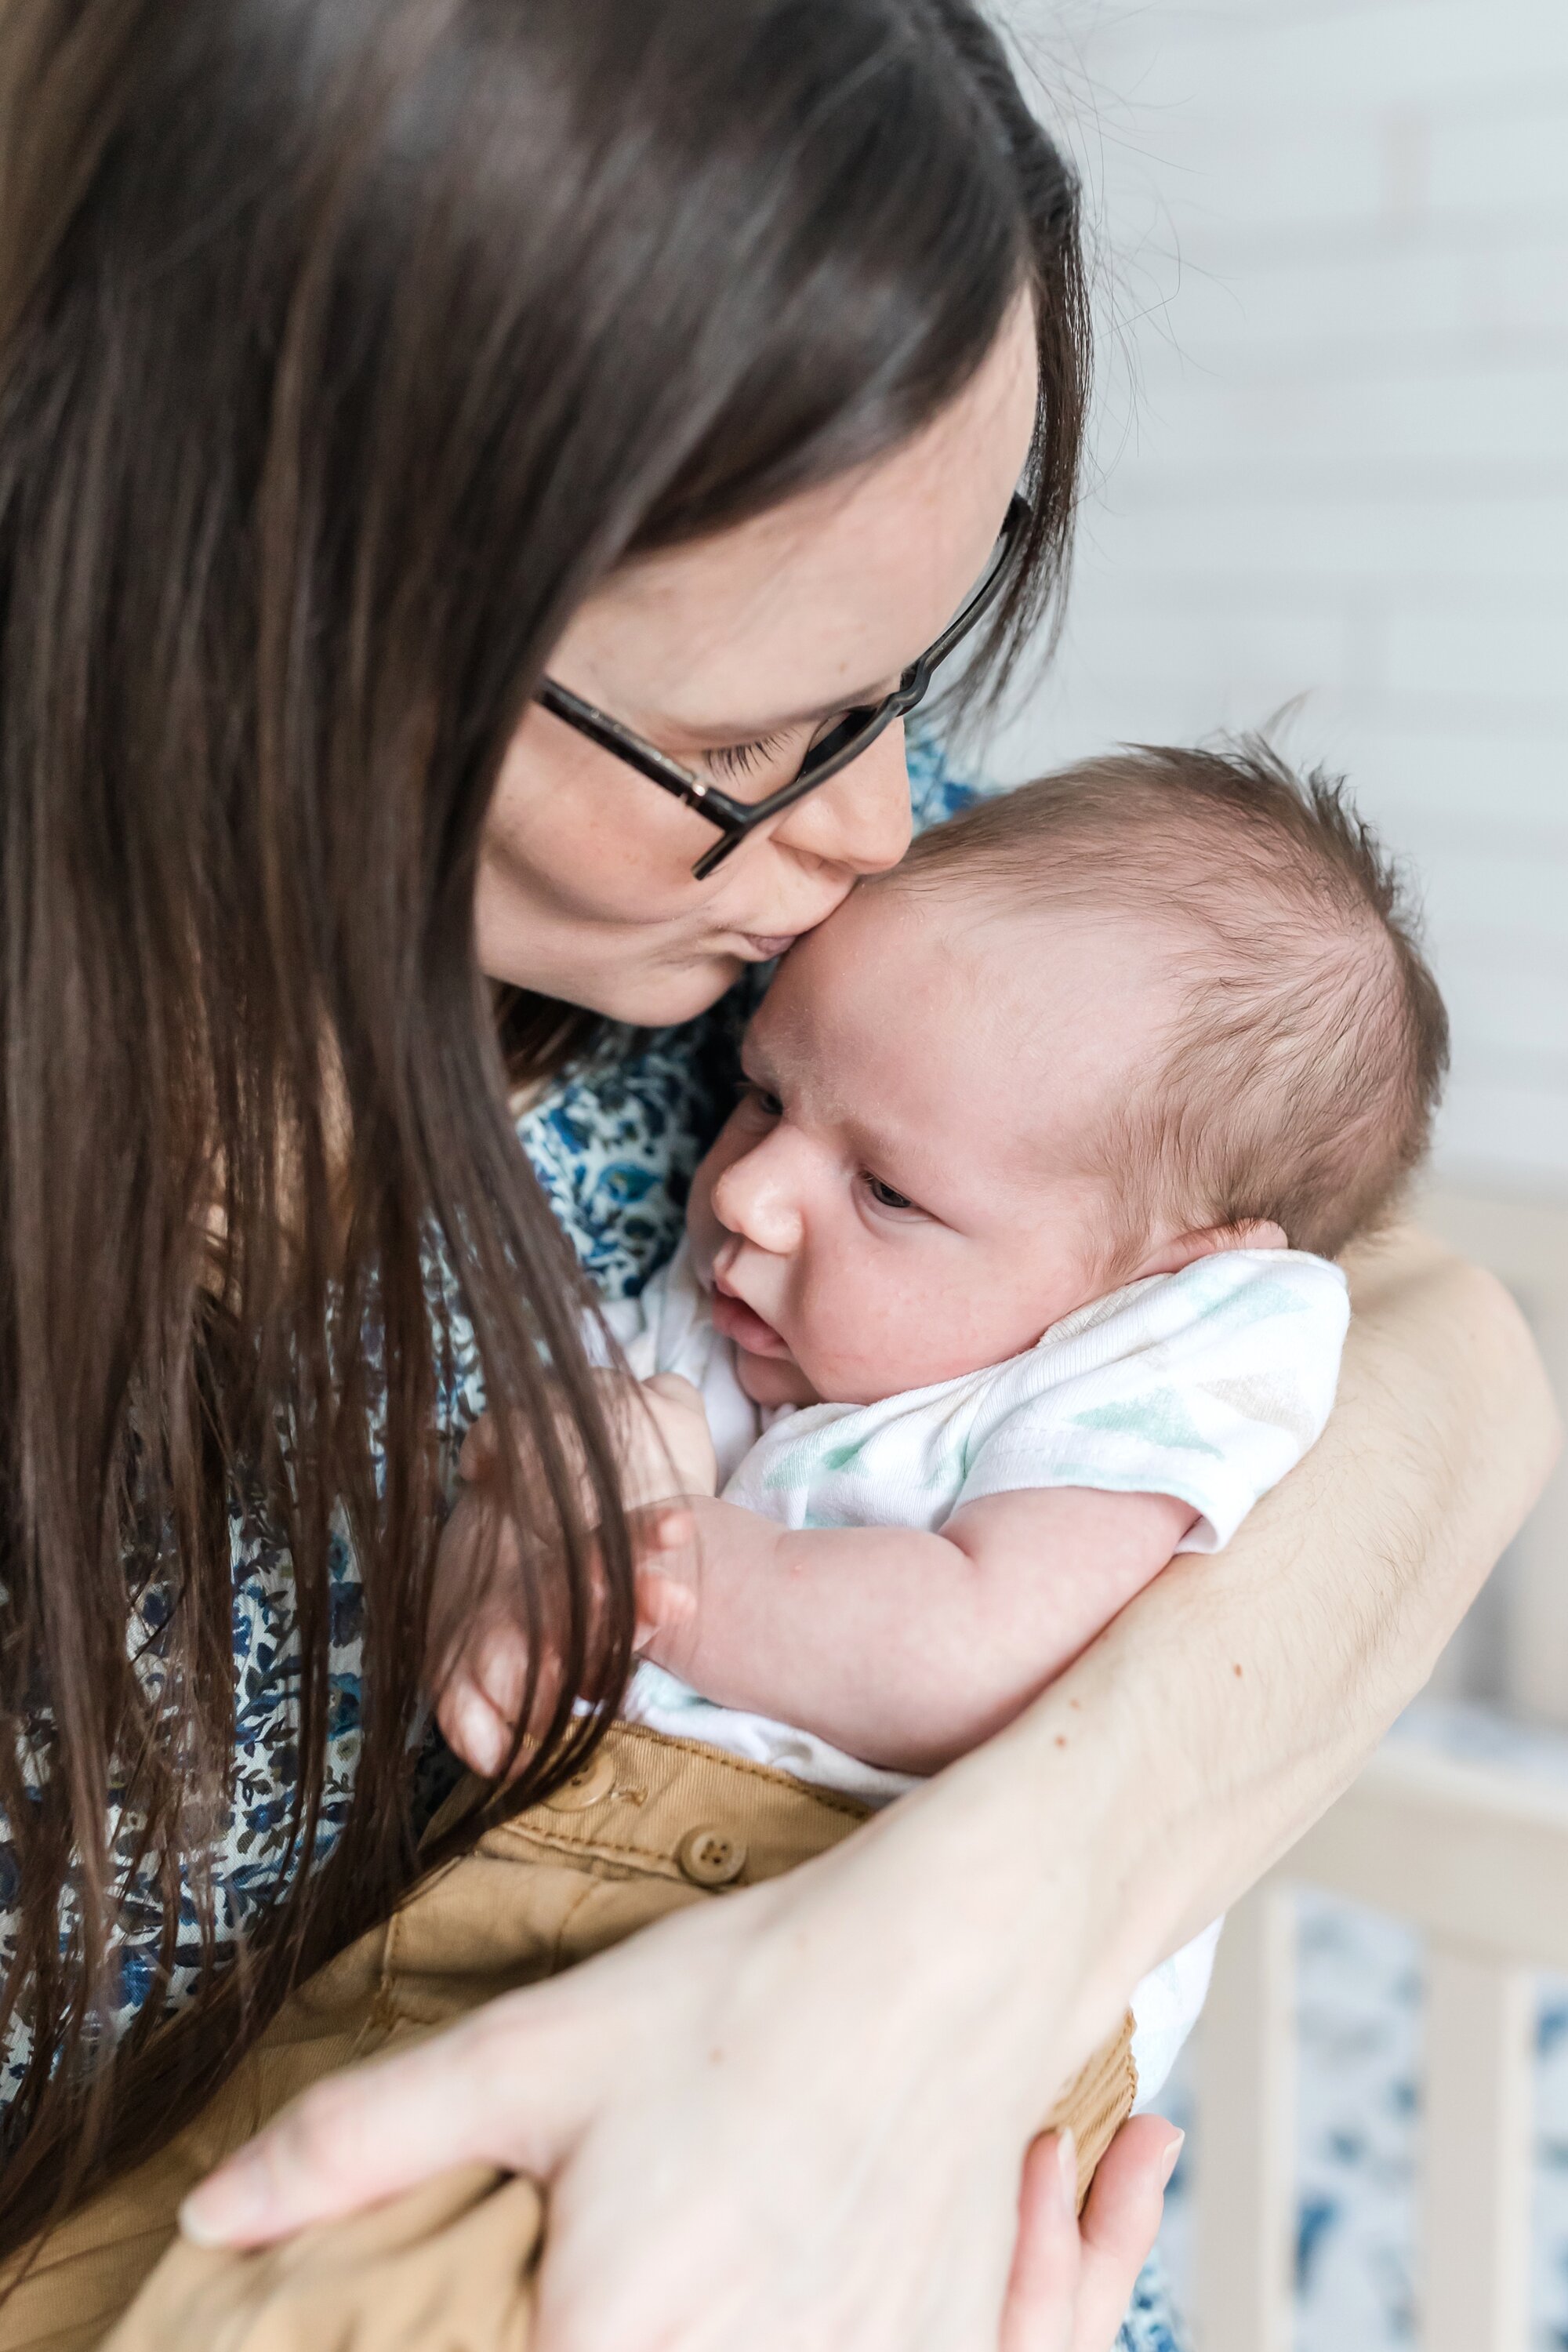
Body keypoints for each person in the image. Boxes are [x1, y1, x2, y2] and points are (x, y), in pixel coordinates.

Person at [0, 7, 1552, 2352]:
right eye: (748, 740)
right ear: (270, 603)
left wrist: (920, 1979)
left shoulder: (837, 945)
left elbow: (1426, 1349)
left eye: (911, 683)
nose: (864, 837)